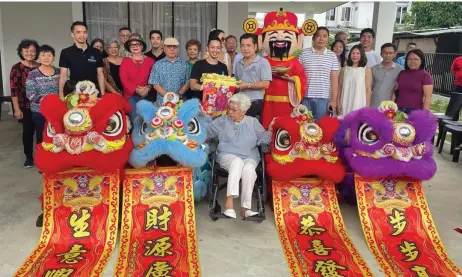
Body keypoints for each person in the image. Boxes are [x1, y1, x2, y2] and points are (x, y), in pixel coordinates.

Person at [206, 93, 271, 219]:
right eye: (229, 108)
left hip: (249, 156)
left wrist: (271, 130)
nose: (230, 112)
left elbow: (264, 138)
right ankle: (229, 205)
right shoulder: (222, 121)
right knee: (237, 162)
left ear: (244, 110)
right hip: (227, 155)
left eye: (234, 110)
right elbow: (206, 131)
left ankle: (245, 209)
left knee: (249, 169)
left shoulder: (253, 122)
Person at [9, 39, 40, 168]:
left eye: (32, 50)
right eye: (26, 50)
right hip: (25, 106)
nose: (29, 53)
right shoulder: (16, 68)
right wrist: (16, 109)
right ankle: (28, 157)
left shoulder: (40, 67)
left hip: (40, 106)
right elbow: (14, 90)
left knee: (41, 131)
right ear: (21, 52)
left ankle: (41, 157)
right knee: (28, 132)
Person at [299, 27, 339, 121]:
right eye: (318, 36)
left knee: (320, 127)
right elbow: (298, 76)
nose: (321, 39)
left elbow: (334, 81)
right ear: (313, 38)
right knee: (304, 125)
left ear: (327, 39)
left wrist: (333, 100)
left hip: (323, 99)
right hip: (305, 98)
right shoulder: (304, 53)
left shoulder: (332, 56)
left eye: (324, 36)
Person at [59, 21, 105, 98]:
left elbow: (100, 74)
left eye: (84, 32)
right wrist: (61, 95)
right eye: (78, 32)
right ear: (72, 35)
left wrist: (103, 94)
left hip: (94, 93)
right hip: (75, 94)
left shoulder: (96, 52)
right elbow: (63, 75)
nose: (82, 35)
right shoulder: (66, 52)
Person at [26, 45, 60, 147]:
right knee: (42, 136)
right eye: (43, 55)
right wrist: (48, 101)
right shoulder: (33, 74)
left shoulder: (59, 71)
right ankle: (42, 158)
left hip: (57, 111)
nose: (46, 58)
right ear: (38, 57)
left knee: (57, 135)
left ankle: (56, 158)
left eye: (49, 55)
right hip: (39, 111)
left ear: (53, 57)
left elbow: (65, 89)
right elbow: (30, 94)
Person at [234, 33, 272, 118]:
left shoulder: (263, 62)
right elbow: (236, 82)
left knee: (253, 129)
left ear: (255, 47)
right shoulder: (238, 63)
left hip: (255, 103)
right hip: (240, 103)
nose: (245, 48)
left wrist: (248, 85)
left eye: (248, 45)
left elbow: (266, 84)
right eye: (242, 45)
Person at [120, 33, 156, 119]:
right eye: (132, 44)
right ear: (129, 47)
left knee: (149, 120)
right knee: (136, 120)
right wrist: (137, 90)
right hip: (131, 96)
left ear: (142, 46)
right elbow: (124, 79)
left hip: (147, 95)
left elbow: (154, 78)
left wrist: (147, 88)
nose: (134, 46)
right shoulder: (125, 61)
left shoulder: (150, 61)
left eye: (137, 44)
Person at [149, 37, 190, 107]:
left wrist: (178, 95)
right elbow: (155, 84)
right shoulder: (158, 65)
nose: (172, 49)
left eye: (175, 47)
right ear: (164, 49)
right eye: (169, 47)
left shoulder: (184, 65)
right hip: (162, 103)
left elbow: (188, 82)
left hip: (179, 102)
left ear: (178, 49)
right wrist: (168, 96)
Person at [393, 49, 433, 113]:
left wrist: (425, 114)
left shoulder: (426, 76)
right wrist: (391, 106)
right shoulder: (402, 73)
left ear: (421, 61)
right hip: (398, 109)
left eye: (416, 59)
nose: (412, 61)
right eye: (409, 59)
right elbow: (395, 91)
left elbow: (427, 96)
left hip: (415, 111)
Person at [338, 44, 372, 117]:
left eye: (357, 53)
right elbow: (339, 87)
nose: (355, 55)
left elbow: (368, 89)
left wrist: (367, 107)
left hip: (359, 102)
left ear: (362, 55)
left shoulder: (366, 70)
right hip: (345, 101)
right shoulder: (344, 69)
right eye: (353, 53)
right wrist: (338, 102)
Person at [370, 43, 403, 107]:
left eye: (390, 53)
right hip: (374, 103)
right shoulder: (373, 69)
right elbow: (369, 87)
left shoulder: (400, 70)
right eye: (385, 53)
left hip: (391, 105)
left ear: (395, 54)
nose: (388, 55)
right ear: (381, 54)